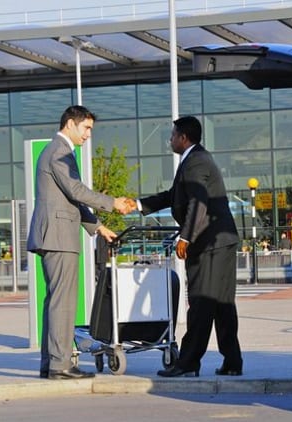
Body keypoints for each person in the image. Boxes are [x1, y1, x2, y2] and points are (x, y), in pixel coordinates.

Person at [28, 105, 137, 380]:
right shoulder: (59, 151)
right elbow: (76, 191)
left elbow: (71, 198)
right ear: (70, 124)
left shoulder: (59, 151)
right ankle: (60, 365)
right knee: (62, 302)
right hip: (58, 235)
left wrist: (98, 227)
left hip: (56, 233)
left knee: (57, 301)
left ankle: (51, 362)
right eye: (86, 128)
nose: (89, 134)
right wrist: (113, 203)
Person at [138, 116, 242, 378]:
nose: (170, 140)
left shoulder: (195, 162)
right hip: (221, 242)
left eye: (172, 135)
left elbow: (198, 202)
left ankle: (188, 362)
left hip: (208, 243)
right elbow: (173, 196)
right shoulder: (195, 160)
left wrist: (185, 237)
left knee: (201, 303)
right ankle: (232, 361)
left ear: (183, 138)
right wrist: (138, 205)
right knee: (221, 304)